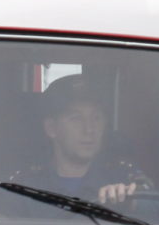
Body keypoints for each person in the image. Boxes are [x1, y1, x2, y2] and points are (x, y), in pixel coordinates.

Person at [10, 73, 148, 204]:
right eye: (76, 119)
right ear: (51, 128)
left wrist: (132, 202)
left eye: (96, 118)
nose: (89, 129)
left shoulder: (124, 177)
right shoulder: (23, 186)